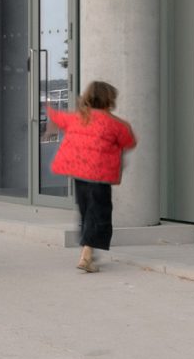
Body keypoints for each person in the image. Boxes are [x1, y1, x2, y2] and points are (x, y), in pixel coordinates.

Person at [45, 79, 136, 271]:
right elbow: (129, 141)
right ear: (109, 100)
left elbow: (57, 118)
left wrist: (49, 109)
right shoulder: (115, 124)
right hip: (99, 175)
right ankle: (87, 254)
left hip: (79, 173)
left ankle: (88, 250)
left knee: (86, 211)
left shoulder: (78, 117)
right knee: (99, 212)